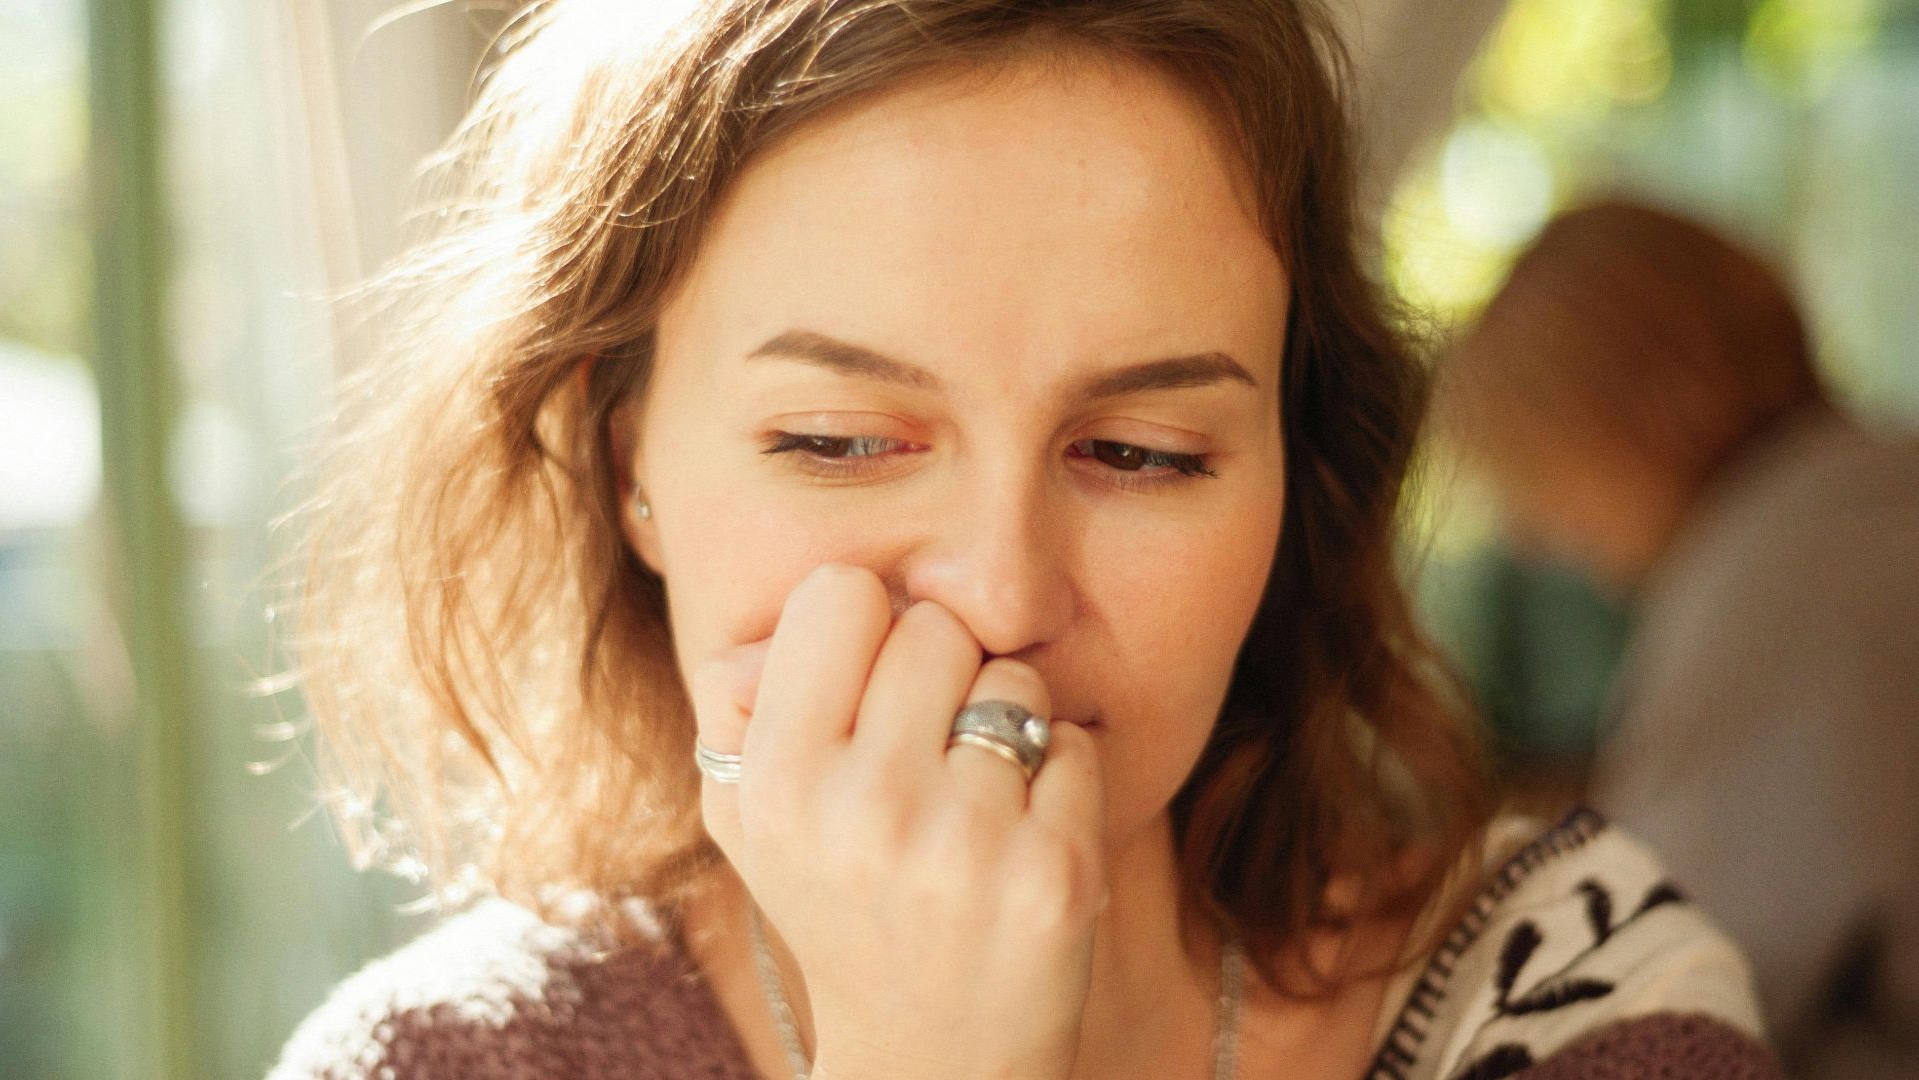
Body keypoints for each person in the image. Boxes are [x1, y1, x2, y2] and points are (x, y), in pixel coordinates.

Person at [268, 5, 1781, 1078]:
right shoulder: (443, 1067)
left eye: (1141, 454)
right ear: (629, 472)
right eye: (841, 442)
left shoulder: (1578, 1002)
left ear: (1296, 488)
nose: (1000, 592)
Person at [1443, 198, 1919, 1078]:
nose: (1538, 531)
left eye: (1537, 465)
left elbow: (1651, 978)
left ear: (1635, 407)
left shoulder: (1778, 580)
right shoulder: (1872, 484)